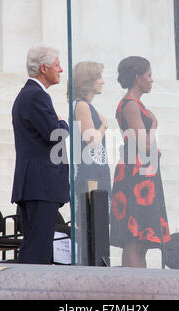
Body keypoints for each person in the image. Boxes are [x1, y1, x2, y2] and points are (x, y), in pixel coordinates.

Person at [11, 44, 70, 264]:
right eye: (57, 65)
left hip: (37, 183)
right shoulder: (35, 95)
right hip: (40, 183)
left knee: (37, 246)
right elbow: (55, 133)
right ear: (44, 69)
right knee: (38, 250)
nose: (61, 70)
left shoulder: (32, 94)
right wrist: (64, 123)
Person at [110, 56, 171, 268]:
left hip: (141, 172)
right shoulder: (131, 105)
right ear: (138, 78)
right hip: (136, 174)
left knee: (141, 238)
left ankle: (137, 286)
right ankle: (134, 288)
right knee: (134, 237)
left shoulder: (134, 104)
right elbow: (144, 145)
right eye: (149, 75)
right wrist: (154, 124)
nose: (151, 80)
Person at [71, 61, 111, 265]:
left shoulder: (85, 105)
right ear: (88, 81)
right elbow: (91, 139)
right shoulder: (82, 105)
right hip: (90, 175)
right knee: (92, 229)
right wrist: (103, 126)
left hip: (95, 173)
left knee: (97, 228)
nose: (102, 81)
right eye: (99, 78)